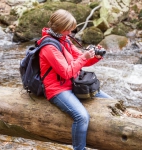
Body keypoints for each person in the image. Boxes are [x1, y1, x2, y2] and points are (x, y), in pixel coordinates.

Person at [37, 9, 112, 150]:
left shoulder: (64, 39)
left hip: (73, 84)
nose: (72, 31)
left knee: (111, 102)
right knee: (82, 117)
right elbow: (66, 72)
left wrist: (95, 56)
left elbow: (82, 61)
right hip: (57, 89)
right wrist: (84, 57)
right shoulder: (49, 47)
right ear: (60, 28)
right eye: (69, 28)